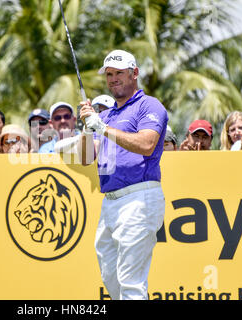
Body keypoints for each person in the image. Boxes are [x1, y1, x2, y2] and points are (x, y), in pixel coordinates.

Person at [77, 49, 168, 300]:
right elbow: (86, 157)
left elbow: (147, 143)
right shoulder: (106, 115)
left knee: (130, 280)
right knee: (111, 278)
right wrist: (87, 128)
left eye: (119, 73)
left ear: (134, 73)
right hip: (111, 203)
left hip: (139, 197)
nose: (113, 79)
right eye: (109, 74)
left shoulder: (148, 105)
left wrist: (102, 127)